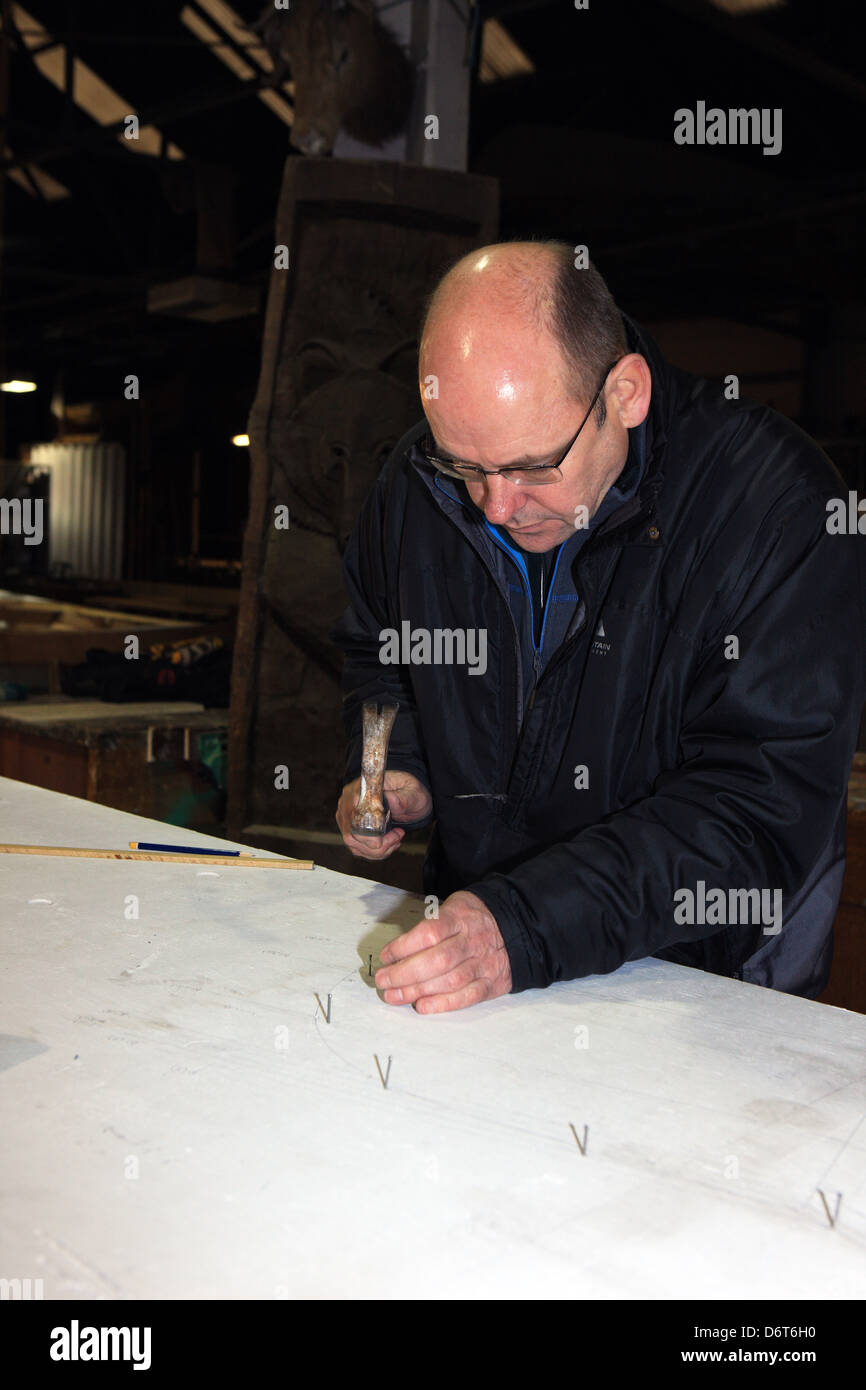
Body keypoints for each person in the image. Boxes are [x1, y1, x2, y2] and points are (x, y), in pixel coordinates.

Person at [332, 240, 865, 1014]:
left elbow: (756, 812)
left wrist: (524, 926)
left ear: (626, 393)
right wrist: (386, 764)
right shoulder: (420, 481)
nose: (495, 507)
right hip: (492, 964)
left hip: (705, 985)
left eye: (531, 467)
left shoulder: (778, 510)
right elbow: (381, 657)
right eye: (466, 466)